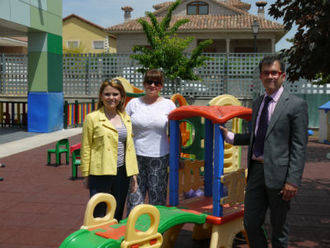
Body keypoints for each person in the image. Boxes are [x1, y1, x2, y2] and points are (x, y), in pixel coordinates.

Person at [220, 55, 308, 247]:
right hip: (256, 172)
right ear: (261, 76)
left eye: (274, 72)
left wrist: (292, 181)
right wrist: (232, 137)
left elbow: (299, 145)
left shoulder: (296, 104)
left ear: (282, 75)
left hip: (280, 175)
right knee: (250, 223)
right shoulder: (258, 102)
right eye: (266, 73)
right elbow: (258, 135)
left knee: (279, 227)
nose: (270, 76)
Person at [81, 79, 139, 221]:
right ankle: (97, 240)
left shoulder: (125, 118)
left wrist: (133, 175)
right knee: (99, 213)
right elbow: (86, 146)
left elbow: (129, 148)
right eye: (107, 94)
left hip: (122, 172)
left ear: (121, 97)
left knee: (118, 211)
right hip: (101, 172)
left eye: (115, 94)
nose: (111, 98)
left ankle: (113, 241)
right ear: (101, 96)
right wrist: (86, 174)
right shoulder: (92, 118)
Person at [126, 69, 176, 213]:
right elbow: (125, 129)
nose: (153, 85)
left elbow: (175, 133)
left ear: (161, 86)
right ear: (144, 84)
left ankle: (156, 232)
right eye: (149, 82)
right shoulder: (133, 104)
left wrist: (176, 157)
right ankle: (133, 232)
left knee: (157, 198)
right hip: (135, 157)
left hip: (159, 157)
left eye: (157, 83)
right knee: (134, 198)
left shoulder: (169, 105)